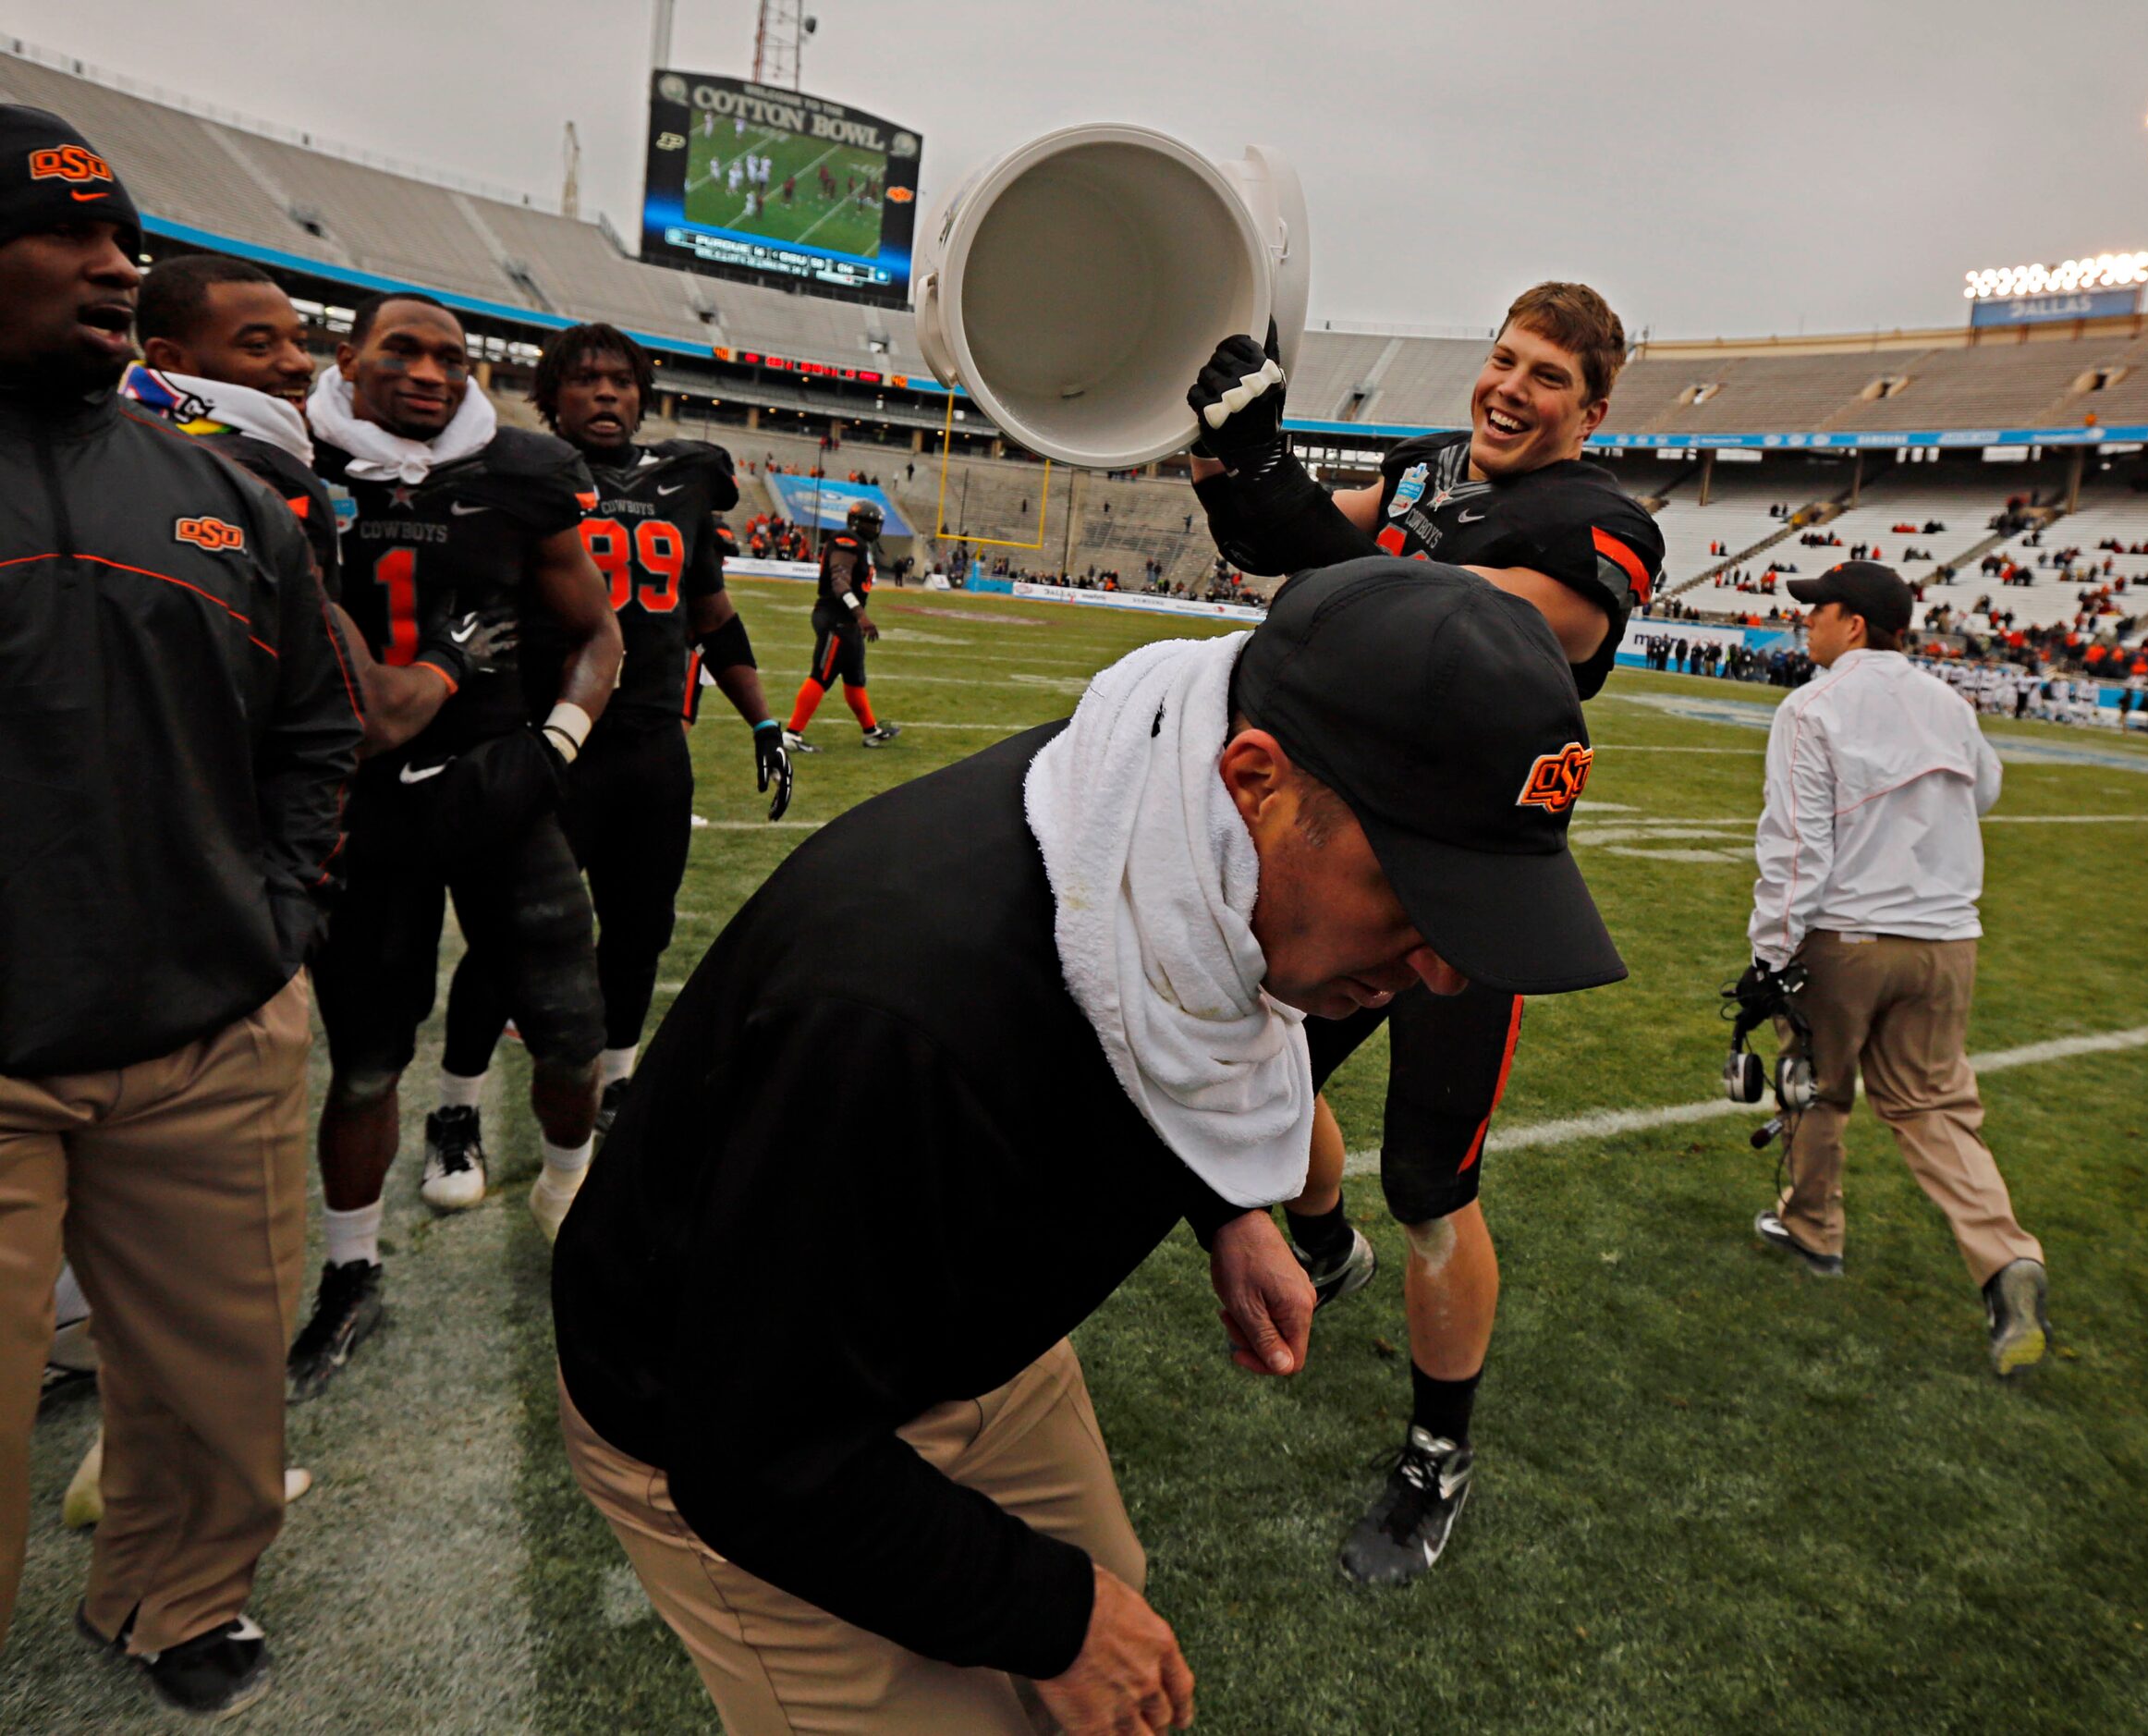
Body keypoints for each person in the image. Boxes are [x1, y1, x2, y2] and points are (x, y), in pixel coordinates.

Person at [554, 559, 1620, 1733]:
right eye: (1419, 892)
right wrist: (1049, 1613)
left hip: (948, 1331)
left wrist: (1227, 1208)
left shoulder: (1168, 819)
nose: (1445, 968)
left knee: (1115, 1633)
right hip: (719, 1408)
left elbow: (1162, 1010)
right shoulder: (902, 1015)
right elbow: (751, 1448)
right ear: (1254, 782)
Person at [1186, 281, 1659, 1583]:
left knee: (1432, 1183)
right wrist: (1233, 457)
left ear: (1591, 408)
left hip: (1465, 881)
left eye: (1546, 376)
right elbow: (1294, 549)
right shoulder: (1421, 469)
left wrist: (1280, 489)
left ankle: (1435, 1451)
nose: (1509, 387)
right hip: (1338, 857)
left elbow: (1447, 615)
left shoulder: (1599, 527)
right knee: (1259, 1076)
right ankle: (1325, 1251)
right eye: (1503, 359)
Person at [0, 109, 361, 1713]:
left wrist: (271, 919)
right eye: (68, 235)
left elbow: (312, 733)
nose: (112, 265)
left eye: (122, 239)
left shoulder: (229, 499)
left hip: (206, 1034)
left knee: (215, 1384)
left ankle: (174, 1593)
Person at [290, 291, 623, 1400]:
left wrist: (559, 743)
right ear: (351, 358)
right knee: (367, 1061)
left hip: (496, 789)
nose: (431, 371)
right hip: (360, 803)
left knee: (572, 1032)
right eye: (403, 351)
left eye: (450, 354)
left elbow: (596, 630)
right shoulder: (293, 458)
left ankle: (567, 1193)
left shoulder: (523, 472)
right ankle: (348, 1271)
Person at [431, 323, 789, 1183]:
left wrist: (762, 720)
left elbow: (711, 615)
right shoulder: (517, 475)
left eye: (621, 381)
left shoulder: (683, 483)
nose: (606, 395)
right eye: (586, 380)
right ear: (551, 396)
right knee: (508, 940)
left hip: (651, 749)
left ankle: (619, 1087)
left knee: (639, 934)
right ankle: (456, 1105)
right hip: (547, 744)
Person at [1743, 562, 2049, 1377]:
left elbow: (1794, 846)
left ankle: (1813, 1229)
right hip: (1947, 938)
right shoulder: (1947, 702)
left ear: (1854, 624)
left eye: (1818, 610)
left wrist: (1768, 955)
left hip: (1849, 936)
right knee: (1938, 1109)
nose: (1804, 622)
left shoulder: (1811, 706)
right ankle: (2006, 1259)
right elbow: (1983, 791)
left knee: (1815, 1084)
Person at [125, 252, 511, 754]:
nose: (300, 363)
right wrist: (452, 656)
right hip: (223, 793)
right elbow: (368, 712)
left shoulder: (120, 443)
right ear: (172, 359)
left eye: (300, 343)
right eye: (260, 346)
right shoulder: (260, 478)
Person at [781, 498, 899, 750]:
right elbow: (839, 582)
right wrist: (861, 615)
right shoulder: (847, 541)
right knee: (821, 676)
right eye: (870, 523)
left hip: (847, 622)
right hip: (837, 618)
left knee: (855, 678)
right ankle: (792, 734)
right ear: (856, 522)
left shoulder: (859, 545)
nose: (874, 528)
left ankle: (870, 731)